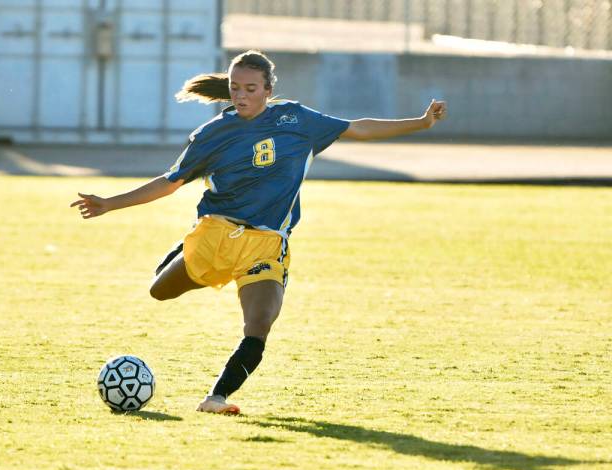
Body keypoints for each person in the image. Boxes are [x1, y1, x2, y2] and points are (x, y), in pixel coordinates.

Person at [71, 50, 447, 414]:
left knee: (260, 323)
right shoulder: (212, 134)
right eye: (235, 87)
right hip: (217, 234)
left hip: (267, 245)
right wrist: (110, 203)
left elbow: (358, 128)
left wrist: (420, 122)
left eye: (250, 88)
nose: (241, 95)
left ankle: (216, 397)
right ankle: (188, 248)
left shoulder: (297, 121)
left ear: (268, 89)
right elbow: (169, 183)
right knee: (159, 291)